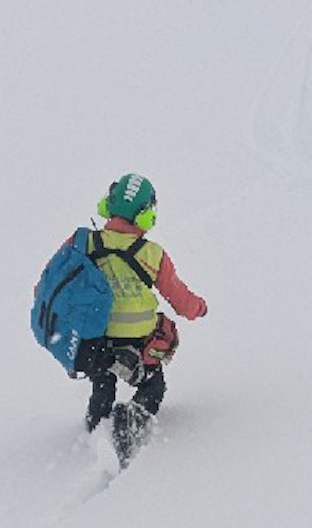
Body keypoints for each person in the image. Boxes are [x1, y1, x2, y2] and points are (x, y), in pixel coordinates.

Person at [70, 173, 207, 435]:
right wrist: (198, 307)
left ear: (107, 205)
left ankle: (96, 426)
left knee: (102, 384)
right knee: (152, 387)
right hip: (139, 342)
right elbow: (179, 298)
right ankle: (133, 416)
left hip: (95, 341)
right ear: (145, 215)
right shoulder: (152, 254)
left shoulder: (85, 244)